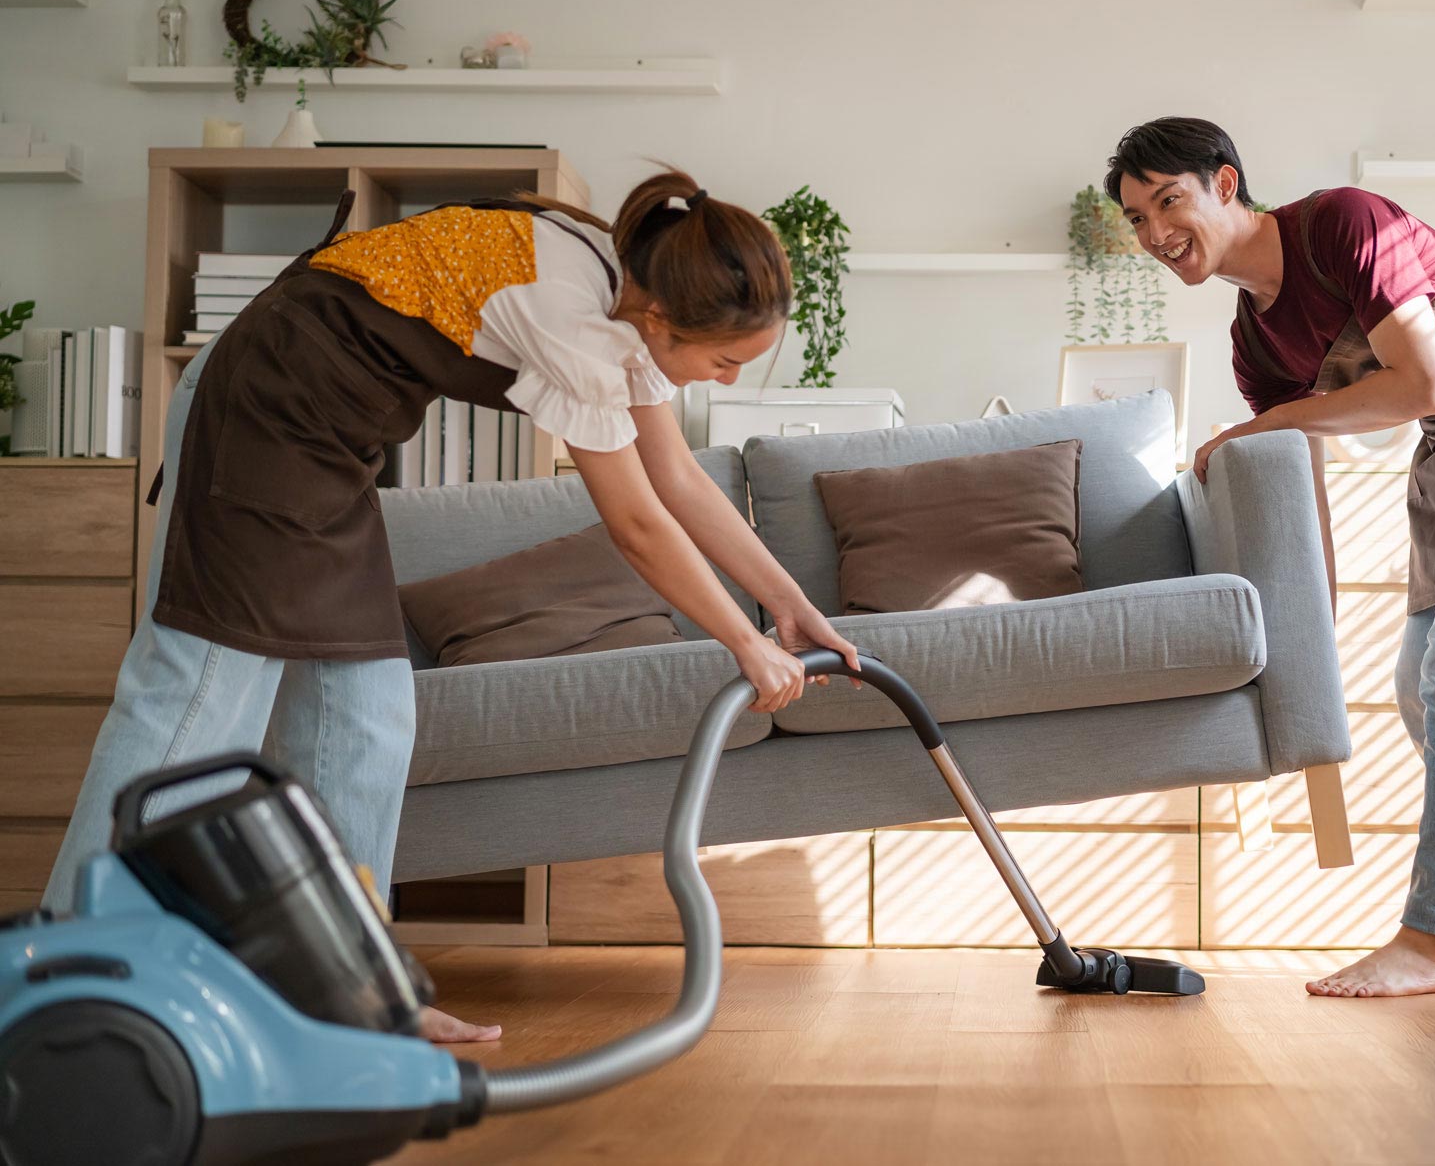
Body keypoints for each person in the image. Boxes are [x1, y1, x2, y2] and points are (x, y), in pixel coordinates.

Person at [43, 168, 860, 1040]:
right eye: (726, 361)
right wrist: (743, 640)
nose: (730, 381)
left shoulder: (628, 293)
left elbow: (677, 478)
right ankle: (59, 979)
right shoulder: (576, 316)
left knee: (369, 721)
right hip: (258, 412)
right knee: (202, 692)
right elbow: (637, 524)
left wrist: (787, 601)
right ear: (665, 320)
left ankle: (353, 993)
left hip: (332, 449)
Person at [1105, 118, 1435, 997]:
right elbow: (1305, 484)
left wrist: (1257, 425)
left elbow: (1422, 383)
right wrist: (1314, 623)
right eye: (1137, 219)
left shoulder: (1342, 224)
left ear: (1226, 185)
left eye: (1168, 201)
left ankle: (1432, 938)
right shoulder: (1254, 344)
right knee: (1421, 687)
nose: (1155, 234)